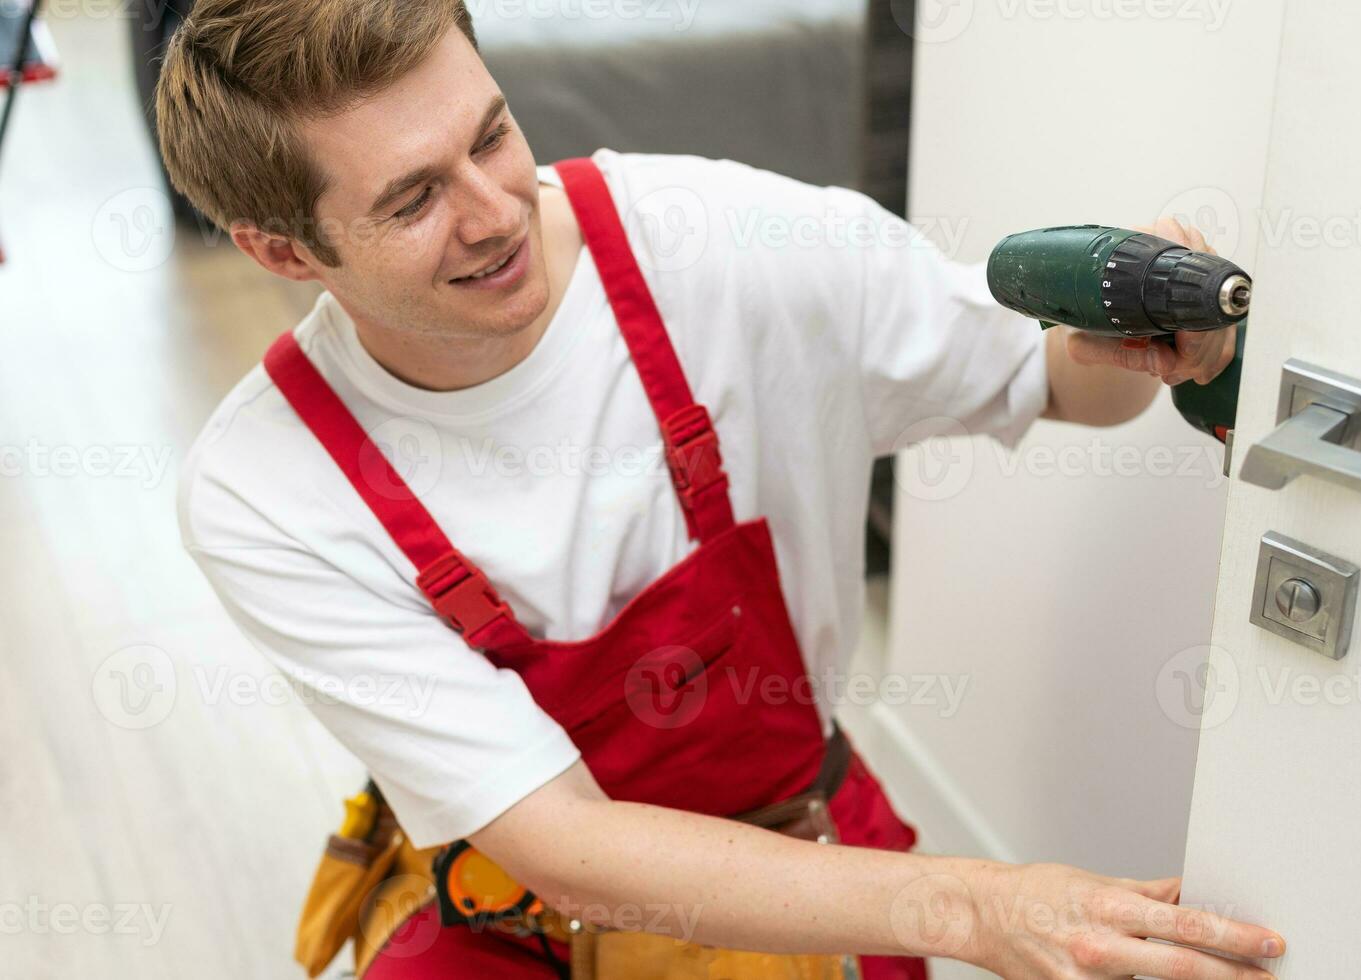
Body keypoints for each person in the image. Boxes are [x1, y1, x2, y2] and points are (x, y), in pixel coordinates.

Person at [156, 1, 1281, 977]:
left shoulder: (728, 245)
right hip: (519, 910)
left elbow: (1054, 381)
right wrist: (977, 904)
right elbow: (564, 842)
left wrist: (1132, 336)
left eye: (492, 134)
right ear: (284, 251)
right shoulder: (266, 488)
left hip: (808, 859)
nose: (495, 212)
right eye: (411, 202)